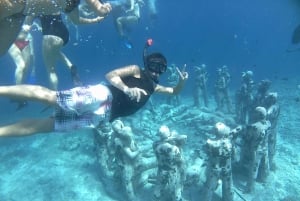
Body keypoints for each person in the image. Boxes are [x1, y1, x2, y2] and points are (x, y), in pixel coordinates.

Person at [0, 40, 188, 137]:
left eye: (161, 68)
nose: (157, 71)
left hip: (101, 117)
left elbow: (174, 91)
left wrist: (181, 82)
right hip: (100, 95)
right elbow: (110, 75)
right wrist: (126, 88)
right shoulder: (136, 70)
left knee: (47, 126)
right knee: (51, 98)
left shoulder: (154, 87)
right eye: (155, 65)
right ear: (147, 63)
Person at [0, 0, 112, 56]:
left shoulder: (73, 4)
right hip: (12, 4)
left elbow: (76, 21)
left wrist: (95, 20)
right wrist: (105, 9)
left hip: (18, 15)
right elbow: (100, 10)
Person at [39, 14, 83, 89]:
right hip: (64, 33)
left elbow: (27, 25)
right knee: (54, 51)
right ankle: (71, 66)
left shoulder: (36, 5)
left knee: (50, 69)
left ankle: (54, 95)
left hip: (50, 35)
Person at [240, 106, 271, 193]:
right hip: (265, 147)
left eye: (255, 112)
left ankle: (250, 188)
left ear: (259, 115)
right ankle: (263, 178)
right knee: (265, 164)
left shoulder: (254, 127)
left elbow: (247, 138)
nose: (253, 114)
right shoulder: (268, 123)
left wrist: (243, 133)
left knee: (253, 169)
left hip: (255, 150)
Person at [152, 125, 187, 201]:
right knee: (175, 190)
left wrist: (167, 140)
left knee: (159, 186)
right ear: (168, 134)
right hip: (172, 171)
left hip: (161, 169)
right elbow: (180, 161)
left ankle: (157, 198)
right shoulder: (174, 148)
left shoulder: (155, 144)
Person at [202, 122, 234, 201]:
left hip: (214, 169)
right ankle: (228, 199)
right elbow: (233, 153)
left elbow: (205, 151)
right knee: (228, 186)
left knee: (210, 187)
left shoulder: (209, 142)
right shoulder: (230, 141)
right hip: (227, 168)